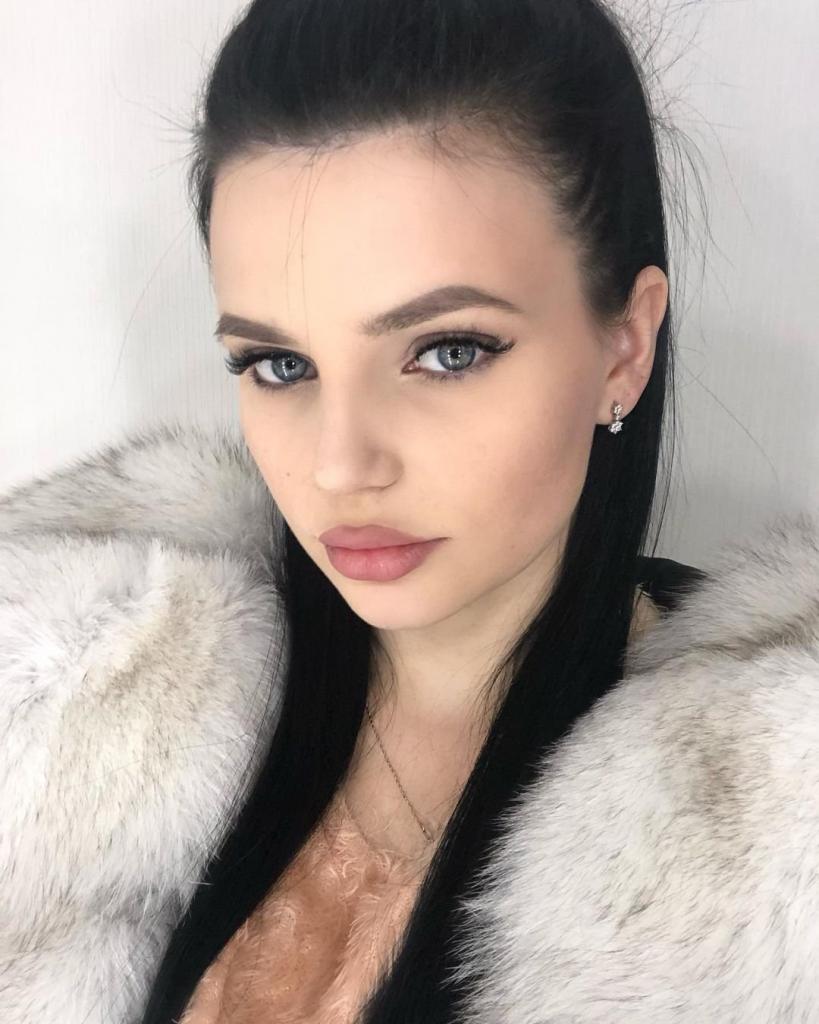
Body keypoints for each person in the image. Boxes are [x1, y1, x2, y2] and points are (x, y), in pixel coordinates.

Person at [1, 1, 817, 1022]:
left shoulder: (777, 838)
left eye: (447, 351)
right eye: (278, 364)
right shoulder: (77, 698)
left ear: (624, 347)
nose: (340, 467)